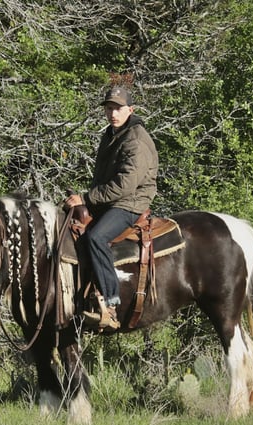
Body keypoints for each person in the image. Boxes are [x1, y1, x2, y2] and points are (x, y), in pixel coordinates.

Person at [64, 86, 158, 330]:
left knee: (96, 237)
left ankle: (111, 301)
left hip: (130, 202)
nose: (113, 113)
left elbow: (125, 185)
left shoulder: (136, 139)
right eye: (109, 108)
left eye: (118, 108)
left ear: (130, 110)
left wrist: (87, 198)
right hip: (110, 200)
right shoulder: (112, 134)